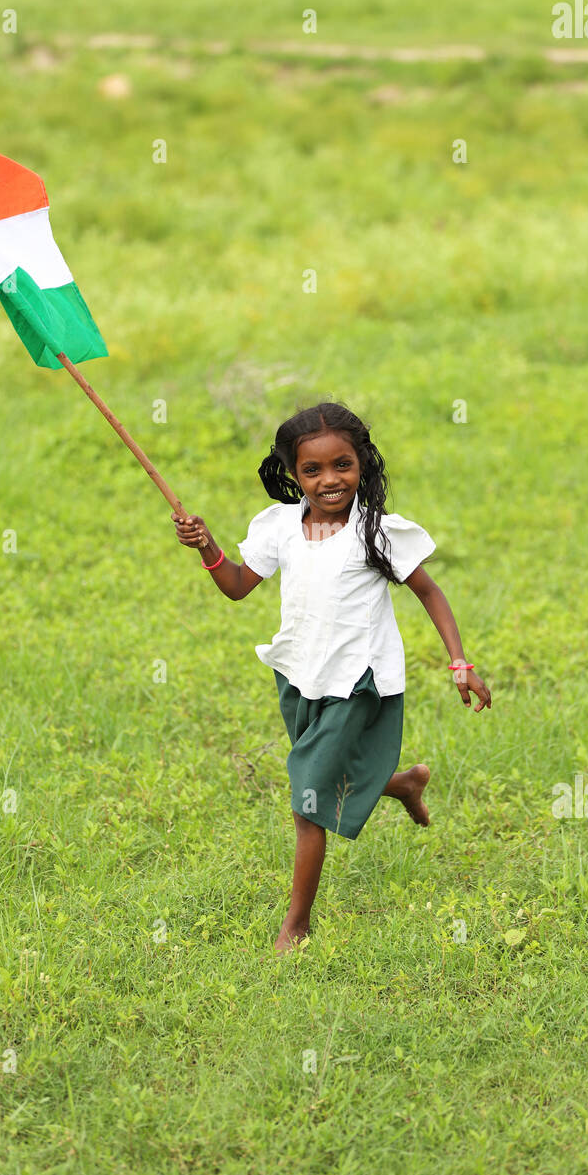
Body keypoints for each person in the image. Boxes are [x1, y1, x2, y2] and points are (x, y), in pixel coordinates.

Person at [173, 401, 491, 953]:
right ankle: (401, 783)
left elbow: (430, 593)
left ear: (363, 464)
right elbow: (236, 585)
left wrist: (459, 661)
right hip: (299, 676)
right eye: (312, 470)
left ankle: (295, 926)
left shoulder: (376, 532)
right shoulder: (280, 528)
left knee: (307, 801)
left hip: (357, 682)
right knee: (319, 781)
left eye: (342, 465)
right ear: (293, 475)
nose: (329, 480)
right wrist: (207, 547)